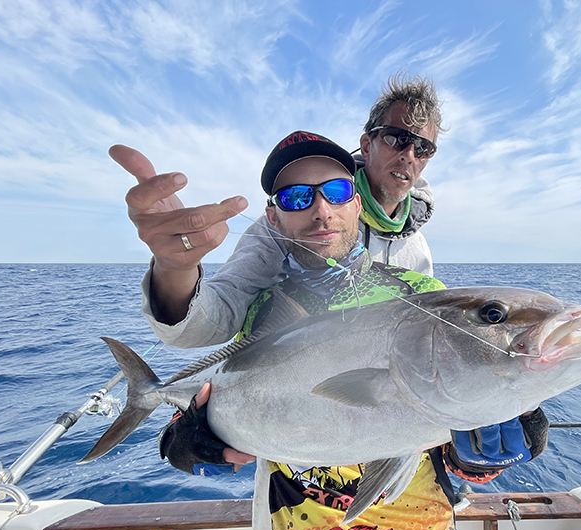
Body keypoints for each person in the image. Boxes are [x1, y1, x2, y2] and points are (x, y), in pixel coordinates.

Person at [158, 131, 549, 530]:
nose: (321, 210)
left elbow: (444, 434)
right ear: (273, 217)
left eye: (337, 192)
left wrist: (481, 453)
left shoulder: (420, 297)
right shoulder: (262, 311)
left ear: (357, 203)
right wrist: (188, 444)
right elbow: (231, 406)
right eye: (296, 197)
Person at [109, 73, 442, 349]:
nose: (409, 155)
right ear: (368, 144)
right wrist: (174, 268)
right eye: (397, 138)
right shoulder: (283, 229)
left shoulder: (418, 250)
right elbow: (218, 315)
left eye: (423, 148)